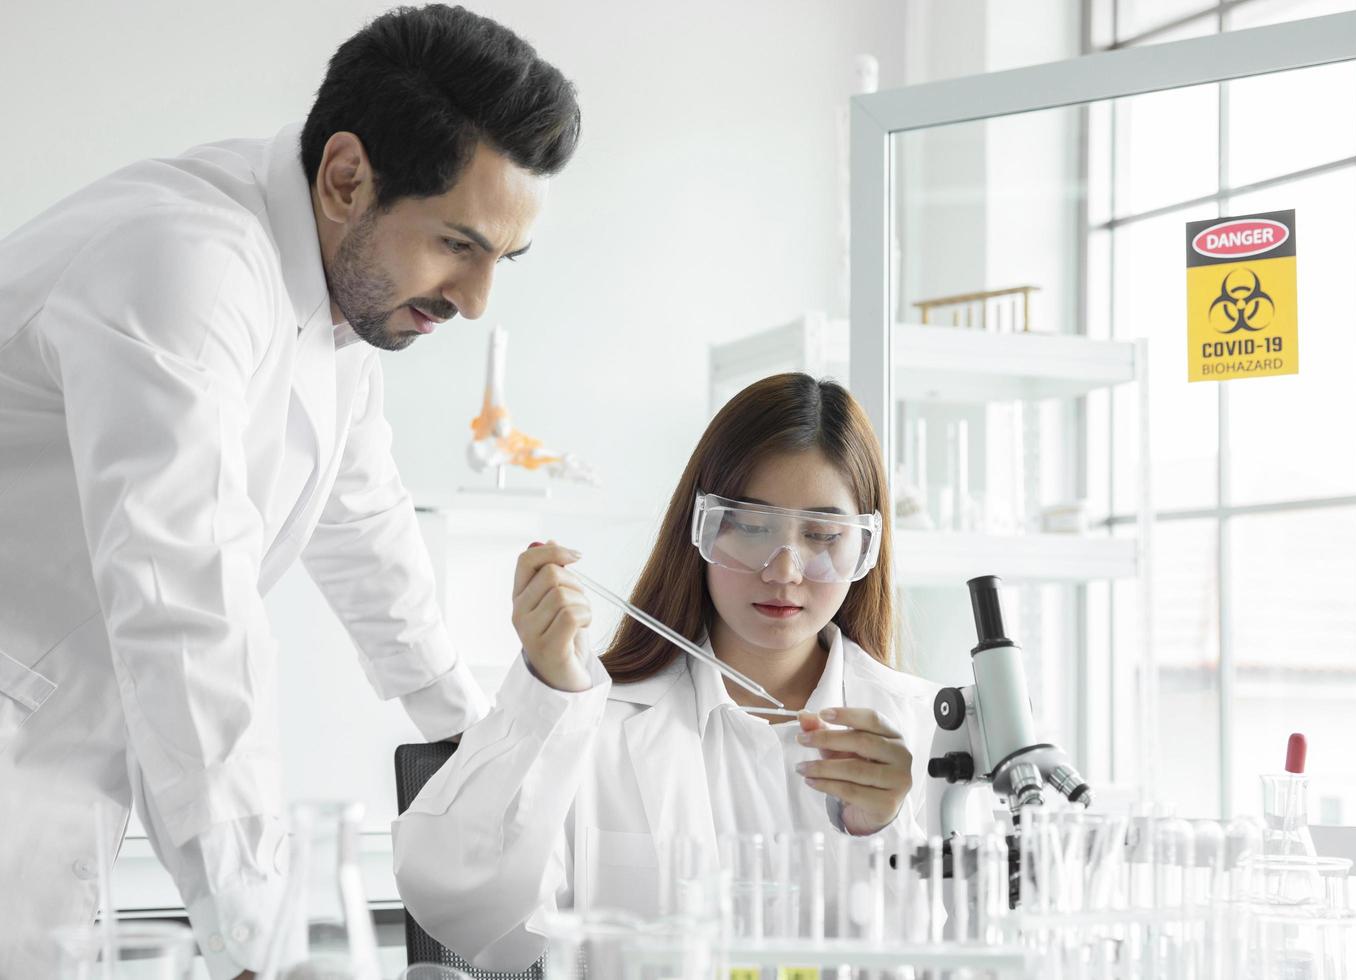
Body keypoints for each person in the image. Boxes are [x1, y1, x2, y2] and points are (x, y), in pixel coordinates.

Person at [0, 6, 580, 977]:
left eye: (500, 262)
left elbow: (361, 517)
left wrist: (464, 738)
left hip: (56, 743)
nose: (478, 301)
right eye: (458, 245)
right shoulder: (186, 269)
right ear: (346, 175)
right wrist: (255, 947)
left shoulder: (334, 296)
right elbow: (186, 614)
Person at [393, 373, 943, 971]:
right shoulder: (593, 719)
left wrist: (884, 831)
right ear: (700, 528)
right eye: (753, 528)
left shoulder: (928, 729)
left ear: (863, 547)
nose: (785, 570)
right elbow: (469, 916)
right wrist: (545, 695)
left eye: (822, 536)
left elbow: (962, 952)